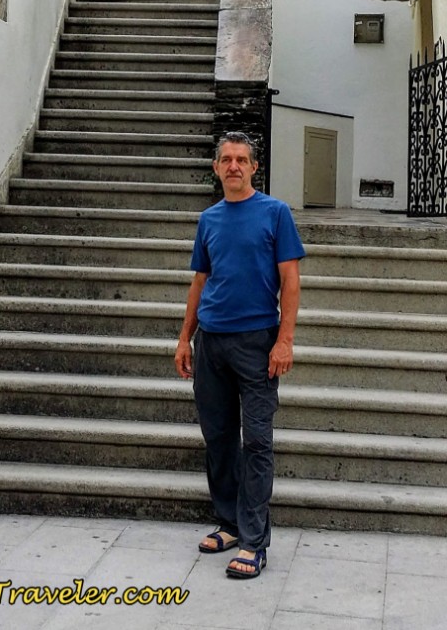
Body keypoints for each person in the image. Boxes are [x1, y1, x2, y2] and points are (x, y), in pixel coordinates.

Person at [174, 130, 304, 580]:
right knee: (219, 438)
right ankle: (229, 523)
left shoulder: (275, 214)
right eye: (226, 159)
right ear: (216, 168)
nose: (233, 166)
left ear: (253, 167)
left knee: (258, 442)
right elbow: (199, 281)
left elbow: (290, 282)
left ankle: (253, 541)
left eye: (241, 159)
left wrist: (284, 340)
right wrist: (184, 337)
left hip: (257, 343)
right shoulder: (208, 219)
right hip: (211, 341)